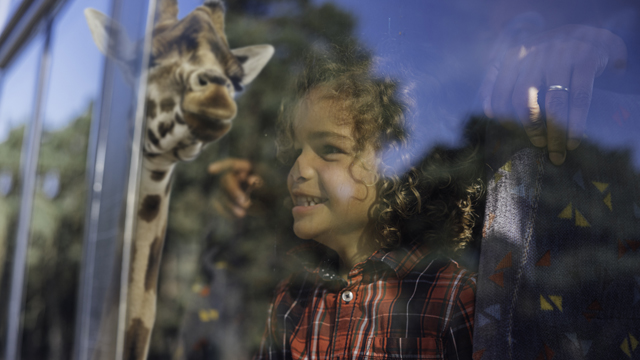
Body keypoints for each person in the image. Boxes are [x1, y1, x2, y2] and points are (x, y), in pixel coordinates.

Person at [245, 47, 483, 359]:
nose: (298, 169)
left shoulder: (450, 297)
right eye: (294, 150)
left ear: (391, 165)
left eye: (330, 148)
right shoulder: (292, 296)